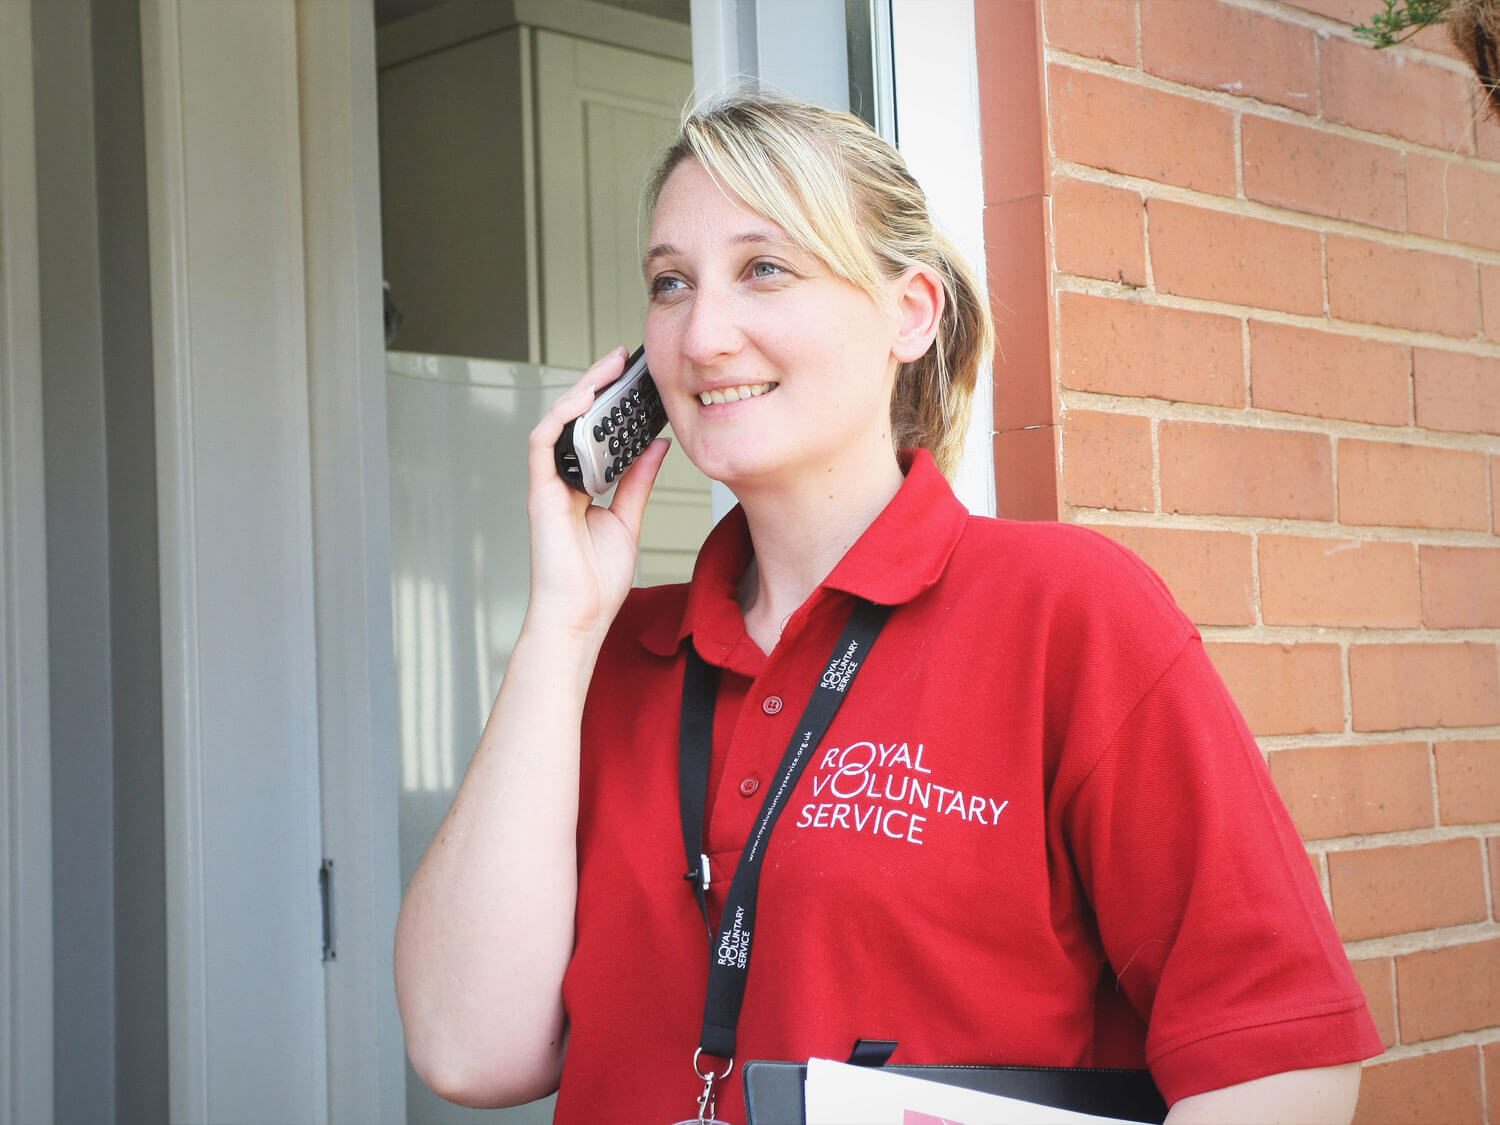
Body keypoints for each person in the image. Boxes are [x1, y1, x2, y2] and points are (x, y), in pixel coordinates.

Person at [393, 91, 1382, 1124]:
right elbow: (469, 1049)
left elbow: (1282, 1060)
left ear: (909, 313)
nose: (702, 333)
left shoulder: (1068, 613)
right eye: (670, 284)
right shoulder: (612, 653)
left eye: (763, 268)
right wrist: (564, 618)